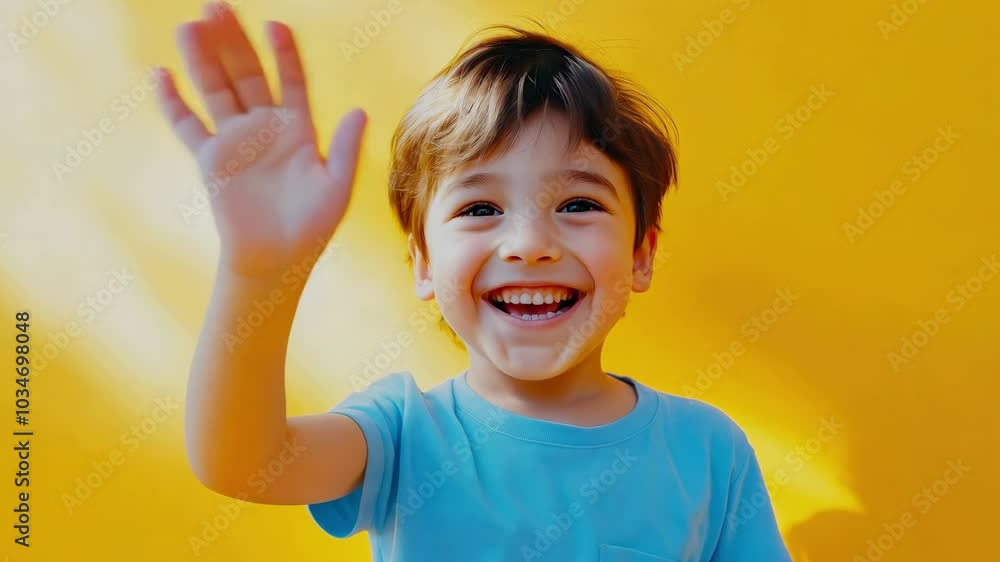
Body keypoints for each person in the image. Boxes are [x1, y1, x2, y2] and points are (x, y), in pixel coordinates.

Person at [155, 2, 793, 560]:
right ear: (425, 264)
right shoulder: (400, 434)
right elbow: (240, 462)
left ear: (641, 255)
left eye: (578, 204)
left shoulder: (707, 450)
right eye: (480, 209)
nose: (530, 246)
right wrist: (259, 272)